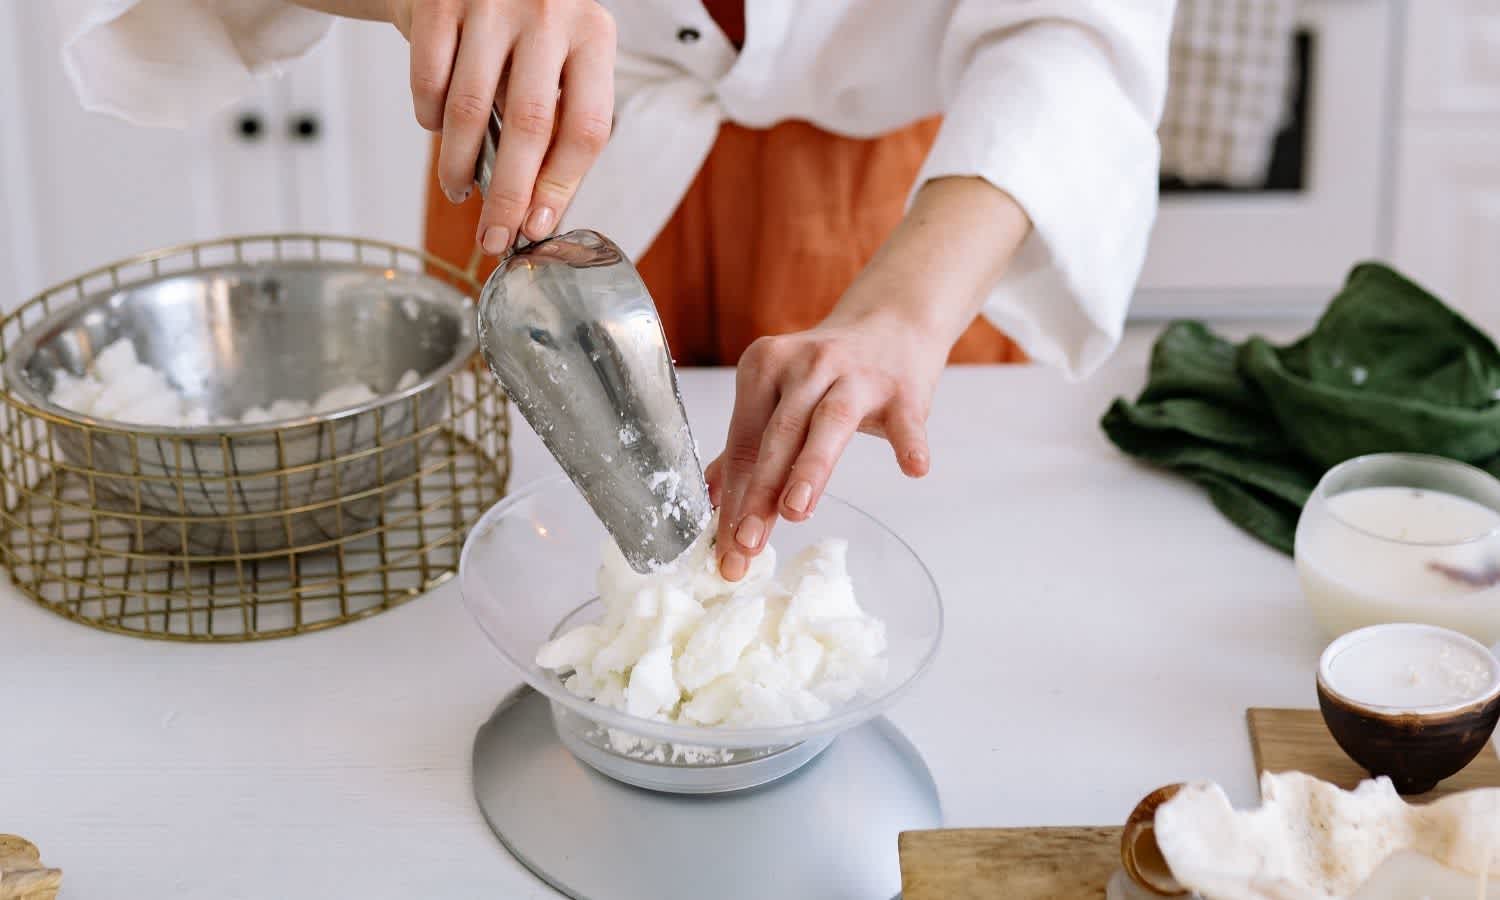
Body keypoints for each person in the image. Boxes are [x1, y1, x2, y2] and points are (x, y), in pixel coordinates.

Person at [59, 0, 1174, 579]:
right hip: (536, 159)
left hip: (919, 210)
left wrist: (907, 310)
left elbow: (1083, 22)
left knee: (903, 565)